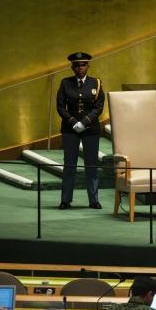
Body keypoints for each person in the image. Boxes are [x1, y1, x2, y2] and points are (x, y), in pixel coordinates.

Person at [56, 52, 105, 210]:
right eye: (77, 65)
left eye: (83, 65)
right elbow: (60, 107)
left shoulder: (96, 83)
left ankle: (93, 200)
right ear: (72, 67)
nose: (80, 68)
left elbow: (99, 107)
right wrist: (72, 122)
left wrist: (84, 122)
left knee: (91, 165)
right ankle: (65, 200)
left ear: (88, 66)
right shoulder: (65, 83)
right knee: (69, 164)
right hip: (70, 129)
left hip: (90, 129)